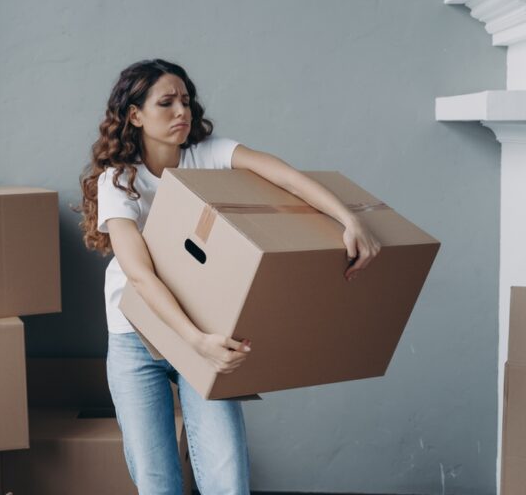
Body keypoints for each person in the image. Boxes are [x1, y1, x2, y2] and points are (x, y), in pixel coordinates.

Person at [78, 59, 381, 495]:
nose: (182, 111)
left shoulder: (208, 154)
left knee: (228, 479)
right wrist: (194, 340)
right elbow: (139, 275)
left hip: (206, 326)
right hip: (137, 334)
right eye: (166, 103)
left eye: (186, 101)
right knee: (156, 481)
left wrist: (348, 219)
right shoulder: (119, 180)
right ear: (135, 115)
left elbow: (287, 178)